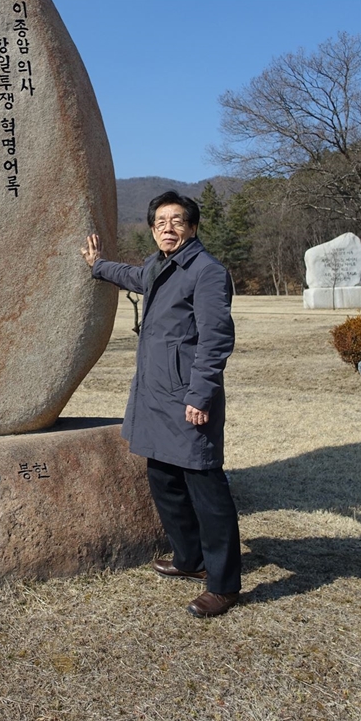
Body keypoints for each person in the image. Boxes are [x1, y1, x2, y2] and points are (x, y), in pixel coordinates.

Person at [81, 190, 241, 617]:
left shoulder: (206, 271)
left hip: (188, 398)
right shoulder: (160, 264)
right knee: (165, 480)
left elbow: (216, 339)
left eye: (176, 221)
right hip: (155, 395)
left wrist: (200, 395)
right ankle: (190, 559)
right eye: (159, 222)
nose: (167, 228)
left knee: (206, 487)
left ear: (192, 226)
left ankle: (223, 585)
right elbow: (135, 278)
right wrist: (99, 267)